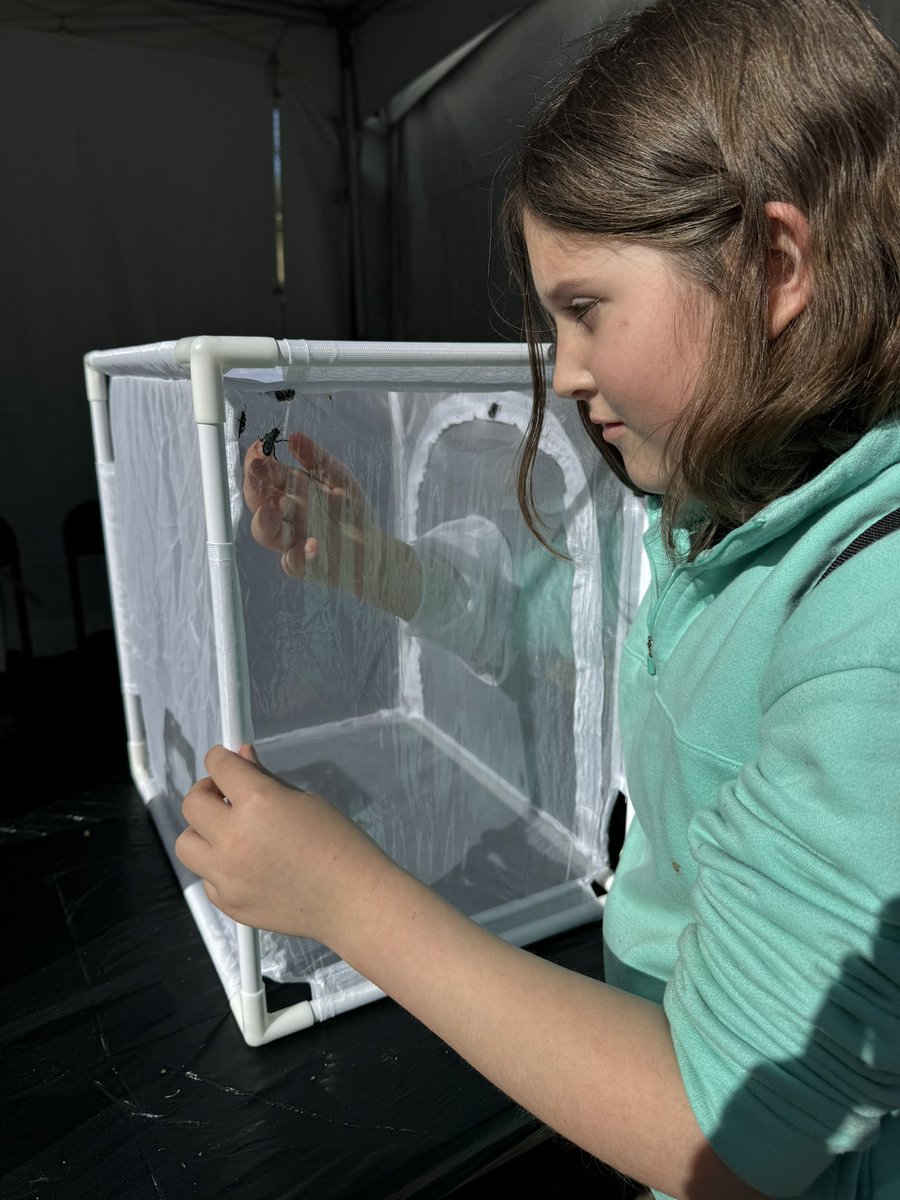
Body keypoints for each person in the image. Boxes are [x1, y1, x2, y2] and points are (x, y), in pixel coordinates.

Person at [175, 1, 900, 1196]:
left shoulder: (869, 630)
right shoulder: (708, 497)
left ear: (776, 266)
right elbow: (556, 629)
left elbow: (719, 1123)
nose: (563, 373)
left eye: (585, 309)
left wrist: (343, 900)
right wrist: (374, 568)